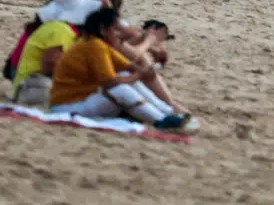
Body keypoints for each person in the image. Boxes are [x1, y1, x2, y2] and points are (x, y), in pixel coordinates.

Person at [47, 7, 191, 131]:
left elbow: (127, 66)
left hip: (81, 100)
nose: (118, 34)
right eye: (115, 30)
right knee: (119, 88)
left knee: (125, 76)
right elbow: (110, 82)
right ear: (103, 29)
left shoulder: (97, 43)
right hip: (67, 106)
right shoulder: (93, 46)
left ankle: (166, 113)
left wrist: (141, 72)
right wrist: (139, 75)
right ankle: (161, 120)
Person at [10, 0, 98, 106]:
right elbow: (50, 65)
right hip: (34, 85)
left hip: (28, 83)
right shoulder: (60, 30)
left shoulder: (57, 26)